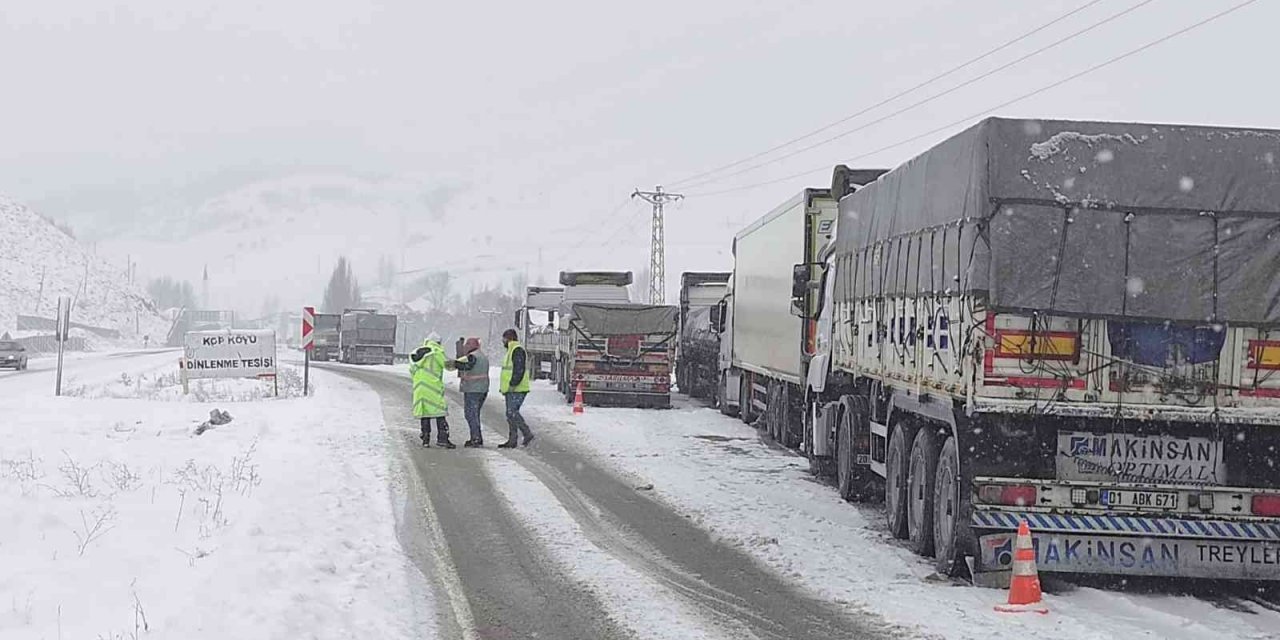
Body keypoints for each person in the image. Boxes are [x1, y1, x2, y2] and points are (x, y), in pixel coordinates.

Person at [410, 332, 456, 449]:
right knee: (440, 413)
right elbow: (447, 365)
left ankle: (425, 438)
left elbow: (412, 369)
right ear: (438, 342)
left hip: (419, 387)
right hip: (433, 387)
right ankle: (443, 438)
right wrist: (460, 364)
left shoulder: (416, 353)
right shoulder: (436, 352)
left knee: (425, 413)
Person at [498, 328, 534, 448]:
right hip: (512, 389)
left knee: (512, 412)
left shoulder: (517, 350)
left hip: (517, 388)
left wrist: (513, 384)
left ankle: (526, 433)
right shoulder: (511, 350)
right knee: (510, 414)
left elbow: (519, 369)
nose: (503, 341)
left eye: (504, 339)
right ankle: (512, 440)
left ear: (509, 338)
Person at [453, 337, 489, 448]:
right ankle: (477, 437)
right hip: (482, 389)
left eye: (467, 345)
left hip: (473, 389)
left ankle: (476, 439)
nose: (465, 347)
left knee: (470, 414)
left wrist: (456, 364)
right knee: (475, 414)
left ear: (472, 345)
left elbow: (467, 366)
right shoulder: (482, 356)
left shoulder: (472, 356)